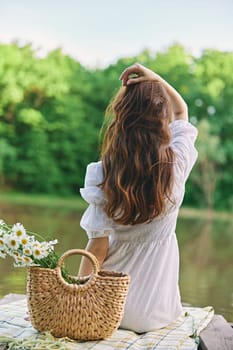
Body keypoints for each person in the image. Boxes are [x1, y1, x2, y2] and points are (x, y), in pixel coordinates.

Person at [78, 63, 198, 333]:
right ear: (160, 118)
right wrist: (156, 79)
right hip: (158, 314)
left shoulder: (103, 173)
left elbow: (97, 249)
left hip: (109, 309)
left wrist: (77, 296)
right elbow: (181, 111)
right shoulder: (176, 165)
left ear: (121, 117)